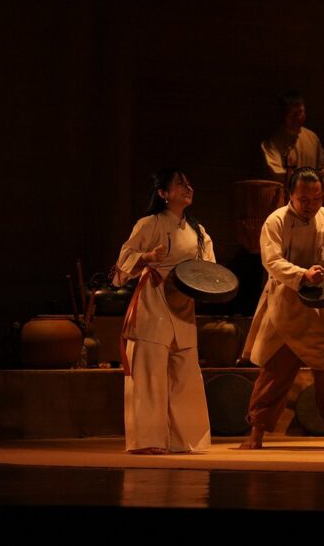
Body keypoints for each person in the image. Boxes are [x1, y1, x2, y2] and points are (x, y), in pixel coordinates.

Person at [240, 167, 324, 450]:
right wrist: (301, 275)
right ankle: (256, 431)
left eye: (317, 198)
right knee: (274, 374)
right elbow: (272, 260)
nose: (311, 205)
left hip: (321, 308)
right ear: (290, 194)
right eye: (304, 199)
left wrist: (323, 276)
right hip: (285, 305)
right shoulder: (275, 221)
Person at [112, 168, 214, 454]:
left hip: (183, 303)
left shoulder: (199, 232)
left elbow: (210, 269)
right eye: (180, 184)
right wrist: (146, 257)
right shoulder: (149, 224)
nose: (187, 187)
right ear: (163, 193)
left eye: (189, 183)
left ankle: (187, 440)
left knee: (186, 374)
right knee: (149, 374)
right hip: (154, 301)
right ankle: (147, 440)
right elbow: (121, 266)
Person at [261, 90, 324, 181]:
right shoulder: (273, 143)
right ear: (283, 114)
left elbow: (323, 169)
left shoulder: (312, 138)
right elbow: (277, 175)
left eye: (300, 112)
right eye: (292, 114)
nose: (297, 118)